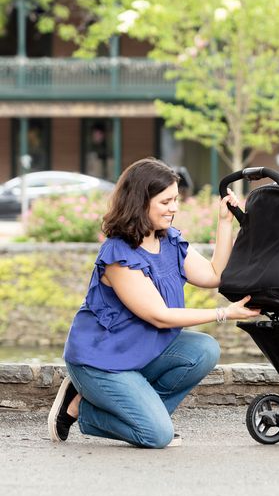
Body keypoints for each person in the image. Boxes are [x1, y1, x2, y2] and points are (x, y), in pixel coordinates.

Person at [47, 157, 259, 448]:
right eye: (165, 202)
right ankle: (80, 409)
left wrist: (225, 223)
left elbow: (214, 275)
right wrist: (224, 313)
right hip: (102, 362)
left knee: (204, 349)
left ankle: (144, 415)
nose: (174, 208)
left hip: (139, 351)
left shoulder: (169, 240)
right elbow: (159, 316)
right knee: (157, 436)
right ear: (140, 202)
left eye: (175, 200)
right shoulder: (118, 256)